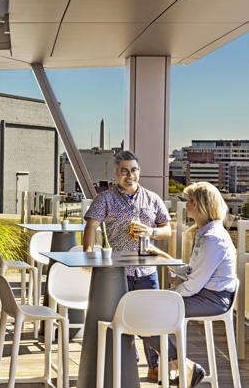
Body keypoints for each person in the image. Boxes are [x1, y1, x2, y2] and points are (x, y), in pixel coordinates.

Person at [83, 150, 172, 380]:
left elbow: (167, 230)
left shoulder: (152, 199)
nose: (129, 175)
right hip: (117, 272)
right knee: (124, 320)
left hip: (147, 271)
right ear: (116, 173)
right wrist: (88, 253)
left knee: (151, 318)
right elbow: (91, 226)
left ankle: (156, 366)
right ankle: (128, 367)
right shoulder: (105, 198)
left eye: (133, 170)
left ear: (139, 171)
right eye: (124, 171)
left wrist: (152, 231)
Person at [143, 182, 236, 388]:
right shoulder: (204, 233)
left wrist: (168, 295)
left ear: (195, 203)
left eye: (187, 201)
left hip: (213, 299)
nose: (185, 205)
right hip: (205, 294)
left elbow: (193, 285)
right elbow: (195, 273)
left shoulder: (213, 239)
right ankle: (180, 366)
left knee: (144, 311)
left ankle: (181, 366)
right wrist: (166, 257)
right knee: (145, 308)